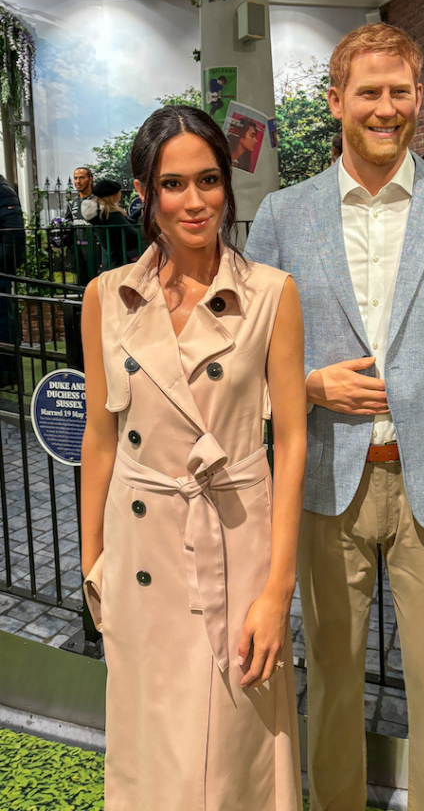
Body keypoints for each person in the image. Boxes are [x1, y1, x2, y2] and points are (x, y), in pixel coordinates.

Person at [244, 22, 424, 811]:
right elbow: (250, 361)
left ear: (420, 98)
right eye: (369, 91)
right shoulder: (285, 218)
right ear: (336, 101)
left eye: (400, 91)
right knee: (330, 674)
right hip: (326, 483)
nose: (385, 107)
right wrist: (312, 384)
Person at [80, 105, 306, 811]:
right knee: (153, 744)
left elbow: (292, 442)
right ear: (144, 191)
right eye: (173, 184)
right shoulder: (106, 298)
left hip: (236, 544)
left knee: (235, 747)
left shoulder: (271, 293)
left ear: (227, 186)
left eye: (208, 180)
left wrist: (278, 590)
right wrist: (94, 566)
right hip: (140, 545)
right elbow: (100, 437)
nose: (195, 201)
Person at [81, 179, 140, 270]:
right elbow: (133, 236)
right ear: (113, 195)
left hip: (108, 262)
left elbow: (125, 222)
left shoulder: (102, 214)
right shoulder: (112, 215)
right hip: (120, 263)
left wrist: (139, 212)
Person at [0, 176, 25, 388]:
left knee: (3, 320)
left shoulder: (3, 191)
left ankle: (7, 372)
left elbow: (13, 238)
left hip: (1, 272)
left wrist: (6, 264)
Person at [65, 166, 95, 284]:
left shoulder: (98, 201)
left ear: (90, 180)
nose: (78, 181)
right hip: (78, 250)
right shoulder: (72, 203)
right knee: (81, 284)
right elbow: (67, 224)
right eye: (75, 178)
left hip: (95, 249)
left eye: (82, 178)